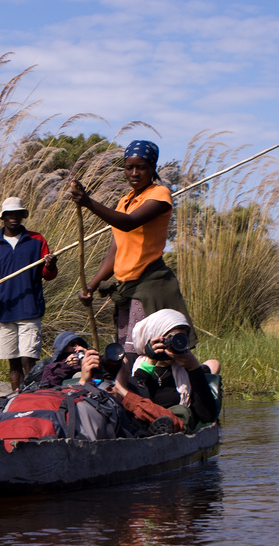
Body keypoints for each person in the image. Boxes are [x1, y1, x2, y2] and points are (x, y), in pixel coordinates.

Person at [68, 139, 194, 379]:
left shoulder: (159, 195)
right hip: (127, 287)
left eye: (142, 167)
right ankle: (131, 396)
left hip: (150, 285)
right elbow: (115, 252)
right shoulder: (124, 201)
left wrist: (88, 202)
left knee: (148, 350)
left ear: (152, 167)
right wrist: (91, 287)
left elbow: (128, 224)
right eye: (129, 167)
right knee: (126, 350)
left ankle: (154, 396)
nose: (134, 173)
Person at [0, 197, 58, 391]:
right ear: (3, 218)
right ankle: (16, 398)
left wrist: (51, 264)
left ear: (22, 216)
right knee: (13, 361)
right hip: (5, 311)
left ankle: (32, 398)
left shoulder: (37, 240)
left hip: (30, 308)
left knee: (28, 358)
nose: (13, 218)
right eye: (9, 215)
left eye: (17, 215)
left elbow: (48, 275)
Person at [126, 309, 221, 431]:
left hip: (176, 430)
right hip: (143, 428)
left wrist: (194, 368)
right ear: (153, 338)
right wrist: (150, 362)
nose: (176, 344)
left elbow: (207, 416)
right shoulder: (134, 365)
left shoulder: (186, 369)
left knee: (182, 411)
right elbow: (130, 403)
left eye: (181, 340)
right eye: (170, 339)